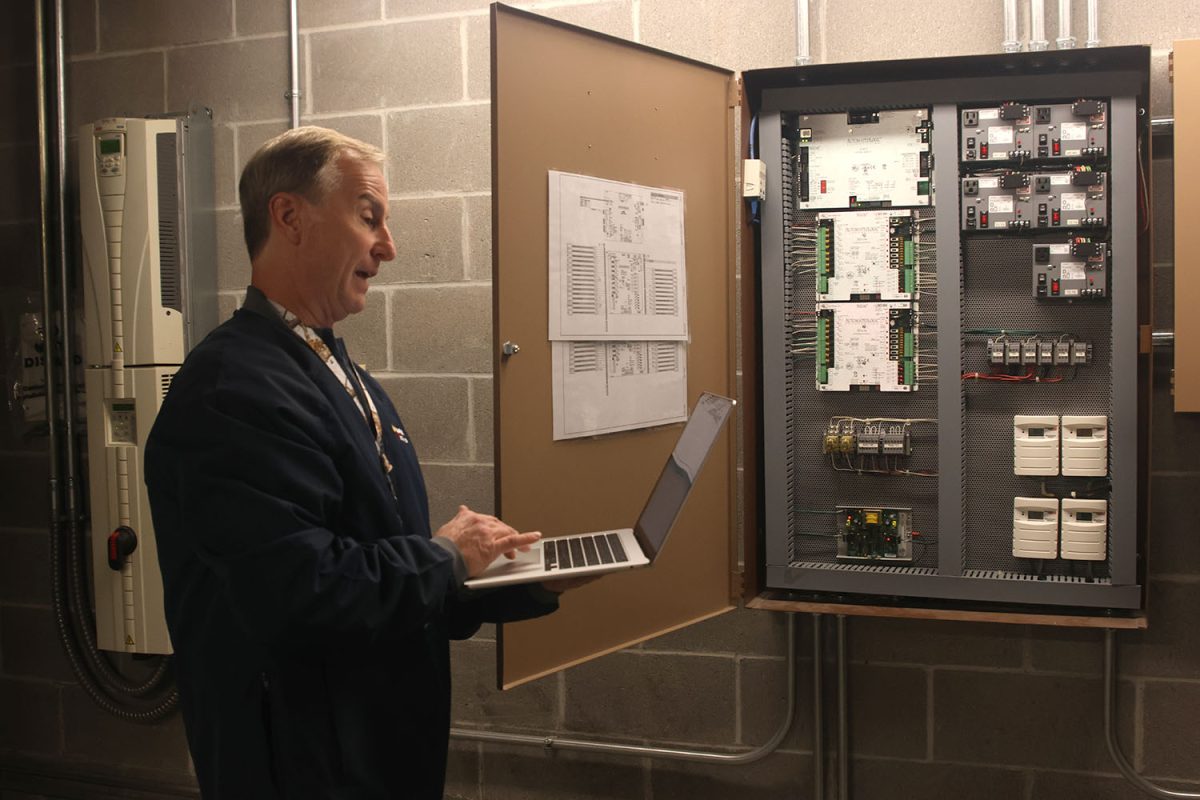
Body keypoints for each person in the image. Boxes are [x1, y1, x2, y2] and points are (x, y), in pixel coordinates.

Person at [145, 126, 564, 799]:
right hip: (303, 766)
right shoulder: (231, 391)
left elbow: (380, 568)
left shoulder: (331, 367)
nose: (389, 247)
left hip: (375, 751)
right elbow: (303, 593)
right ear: (290, 217)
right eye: (369, 217)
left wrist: (518, 577)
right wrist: (446, 557)